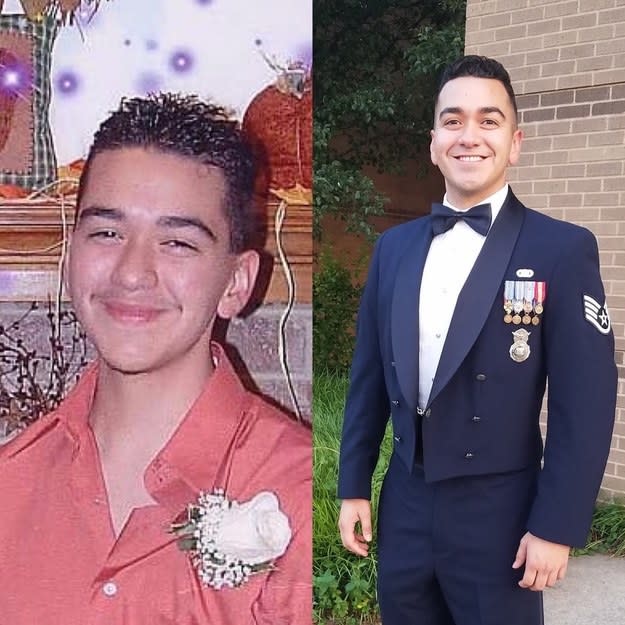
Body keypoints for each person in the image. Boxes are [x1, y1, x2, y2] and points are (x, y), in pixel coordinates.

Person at [0, 93, 311, 625]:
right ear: (71, 254)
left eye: (177, 243)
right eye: (107, 232)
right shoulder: (11, 484)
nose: (131, 273)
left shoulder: (306, 497)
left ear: (236, 283)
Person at [337, 55, 617, 625]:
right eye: (453, 120)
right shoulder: (394, 249)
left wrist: (556, 526)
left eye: (489, 121)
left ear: (515, 142)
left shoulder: (561, 249)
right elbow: (367, 376)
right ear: (434, 142)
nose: (470, 136)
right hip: (406, 506)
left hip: (503, 518)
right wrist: (353, 485)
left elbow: (583, 406)